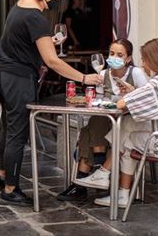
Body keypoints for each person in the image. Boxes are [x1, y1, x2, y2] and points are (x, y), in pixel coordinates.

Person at [0, 0, 103, 207]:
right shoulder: (37, 18)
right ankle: (10, 190)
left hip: (1, 73)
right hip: (17, 79)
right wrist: (84, 78)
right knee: (17, 134)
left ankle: (2, 176)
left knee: (9, 128)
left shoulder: (21, 5)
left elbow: (20, 41)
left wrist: (48, 42)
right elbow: (52, 61)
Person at [77, 38, 158, 208]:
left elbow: (121, 104)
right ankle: (112, 183)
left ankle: (107, 177)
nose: (142, 64)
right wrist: (133, 91)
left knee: (128, 136)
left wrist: (129, 95)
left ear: (153, 60)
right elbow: (152, 101)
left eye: (144, 59)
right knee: (130, 126)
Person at [56, 38, 148, 201]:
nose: (114, 57)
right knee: (91, 127)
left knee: (89, 130)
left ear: (127, 58)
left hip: (129, 123)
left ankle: (81, 185)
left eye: (120, 55)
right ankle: (93, 171)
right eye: (112, 53)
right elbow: (98, 103)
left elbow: (146, 100)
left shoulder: (136, 74)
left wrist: (130, 93)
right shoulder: (103, 75)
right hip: (107, 121)